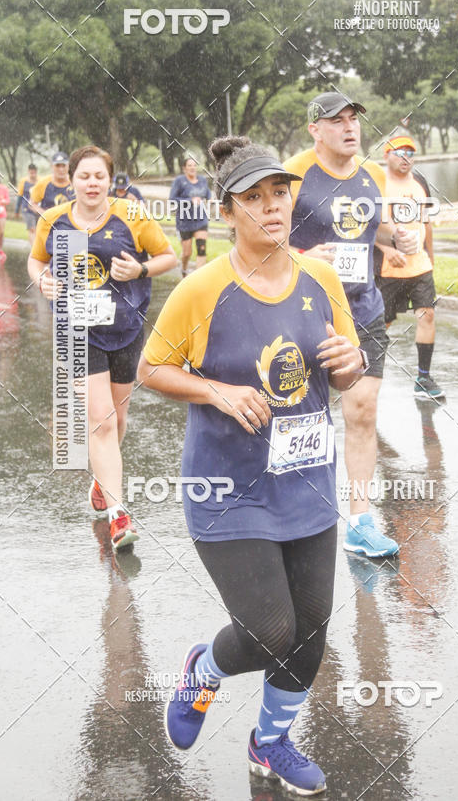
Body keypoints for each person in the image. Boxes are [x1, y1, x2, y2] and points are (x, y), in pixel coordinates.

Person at [138, 135, 365, 796]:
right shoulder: (202, 289)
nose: (272, 208)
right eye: (254, 198)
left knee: (311, 628)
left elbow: (344, 366)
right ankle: (203, 671)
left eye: (279, 194)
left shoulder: (322, 279)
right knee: (270, 631)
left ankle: (270, 745)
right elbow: (153, 368)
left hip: (305, 485)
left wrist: (353, 367)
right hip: (229, 490)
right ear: (228, 210)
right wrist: (216, 390)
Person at [285, 91, 418, 559]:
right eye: (336, 120)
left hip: (362, 309)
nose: (349, 127)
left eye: (354, 119)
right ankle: (294, 513)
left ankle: (360, 522)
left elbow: (363, 227)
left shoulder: (369, 177)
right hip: (304, 313)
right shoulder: (294, 174)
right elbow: (256, 232)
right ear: (315, 130)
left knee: (362, 411)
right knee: (301, 418)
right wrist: (299, 256)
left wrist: (391, 237)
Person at [27, 145, 177, 550]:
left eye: (99, 176)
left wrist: (141, 268)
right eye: (84, 176)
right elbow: (36, 260)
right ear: (72, 180)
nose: (92, 183)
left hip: (125, 328)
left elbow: (169, 256)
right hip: (77, 331)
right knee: (102, 421)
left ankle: (101, 480)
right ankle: (118, 515)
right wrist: (42, 280)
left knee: (119, 419)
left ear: (109, 180)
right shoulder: (55, 221)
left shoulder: (132, 215)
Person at [375, 136, 445, 400]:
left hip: (419, 266)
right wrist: (387, 249)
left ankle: (423, 378)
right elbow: (366, 226)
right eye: (400, 152)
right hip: (388, 268)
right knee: (383, 323)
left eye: (411, 153)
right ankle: (365, 370)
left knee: (427, 315)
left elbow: (426, 223)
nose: (406, 157)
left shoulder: (420, 182)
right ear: (386, 155)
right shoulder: (376, 184)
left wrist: (431, 256)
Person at [169, 157, 211, 276]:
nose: (192, 168)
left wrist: (211, 199)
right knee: (187, 253)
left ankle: (198, 278)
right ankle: (184, 269)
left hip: (200, 220)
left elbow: (207, 194)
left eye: (194, 165)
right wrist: (190, 200)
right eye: (189, 165)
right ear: (184, 168)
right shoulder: (180, 181)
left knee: (201, 248)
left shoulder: (202, 180)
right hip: (184, 222)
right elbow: (172, 199)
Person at [29, 151, 76, 216]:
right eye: (57, 166)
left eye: (63, 166)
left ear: (68, 166)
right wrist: (45, 215)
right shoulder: (43, 183)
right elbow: (32, 204)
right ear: (52, 166)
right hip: (49, 224)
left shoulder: (75, 182)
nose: (61, 169)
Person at [16, 163, 39, 245]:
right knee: (32, 229)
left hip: (38, 209)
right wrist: (17, 210)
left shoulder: (40, 181)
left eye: (34, 173)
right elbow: (19, 196)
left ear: (36, 172)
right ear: (28, 172)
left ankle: (37, 249)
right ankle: (33, 250)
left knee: (38, 230)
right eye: (31, 173)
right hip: (27, 209)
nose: (32, 175)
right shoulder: (23, 181)